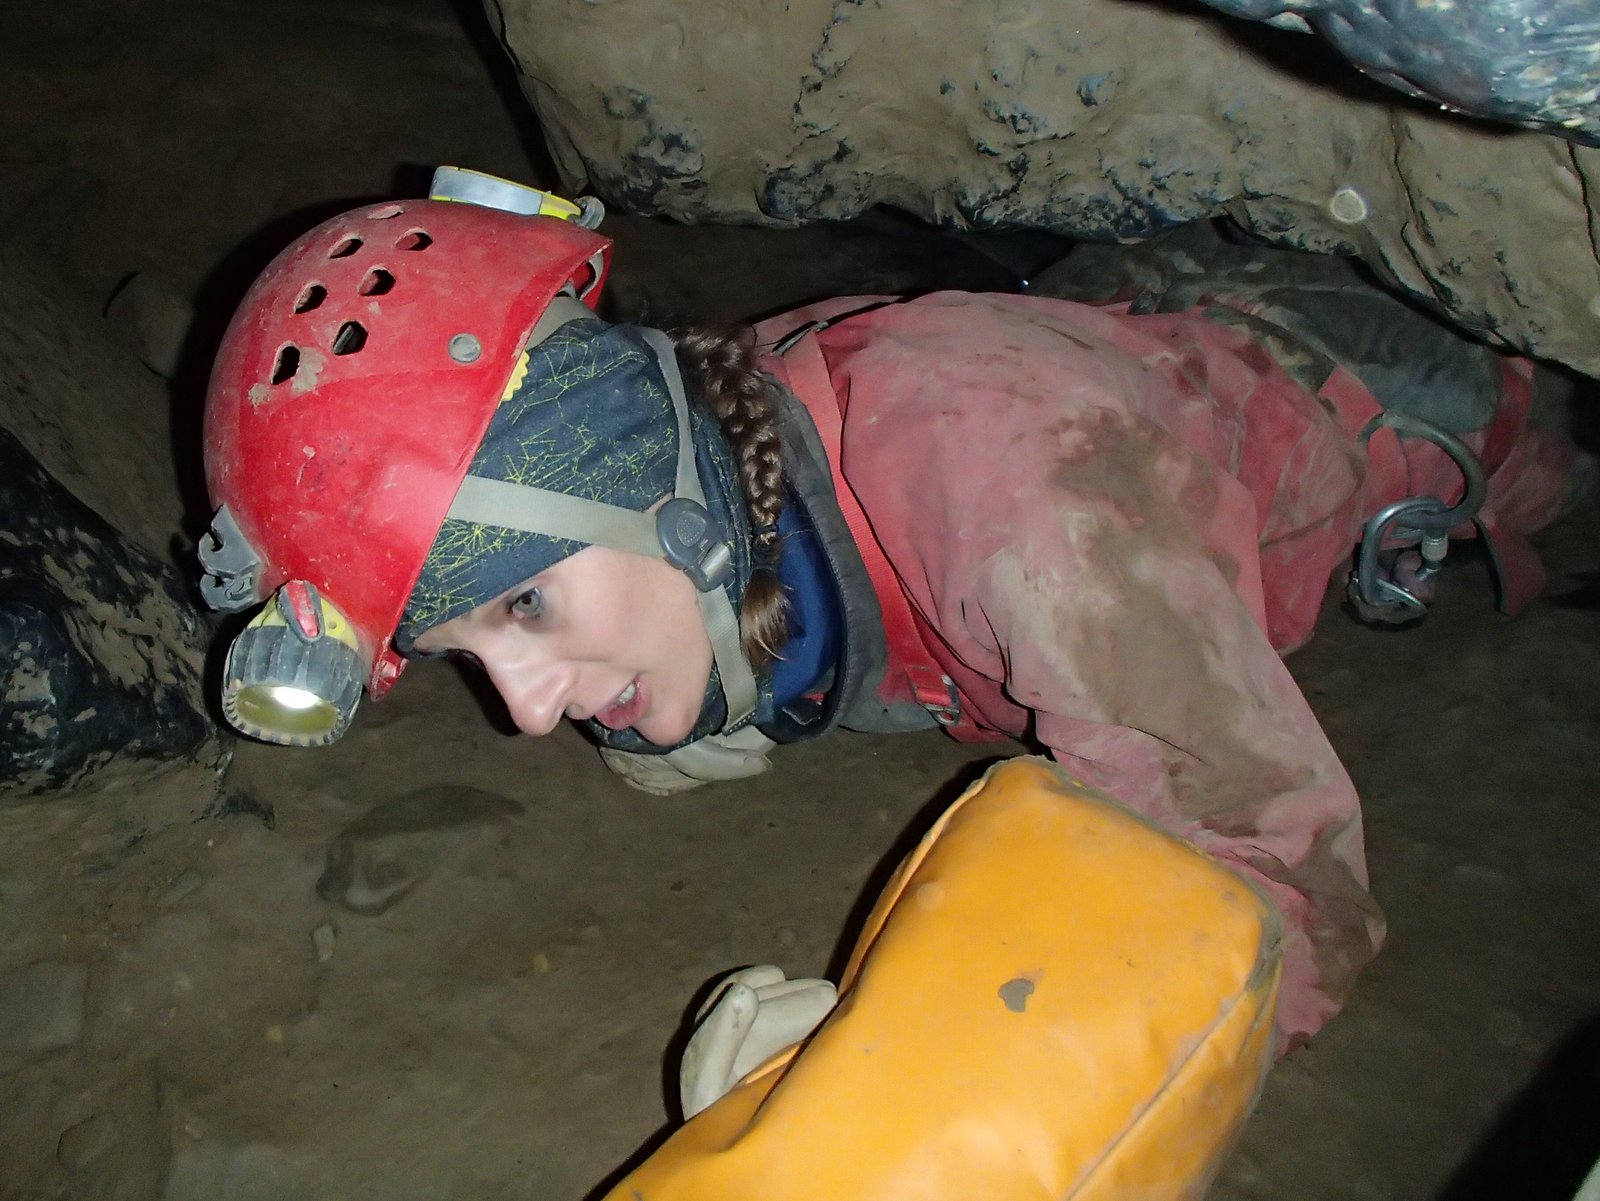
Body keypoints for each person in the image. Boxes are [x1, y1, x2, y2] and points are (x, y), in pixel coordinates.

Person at [198, 168, 1580, 1054]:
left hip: (1395, 362)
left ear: (646, 481)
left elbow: (1279, 891)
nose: (528, 711)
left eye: (527, 604)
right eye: (470, 656)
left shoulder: (1016, 503)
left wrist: (924, 1069)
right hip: (1119, 303)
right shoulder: (722, 447)